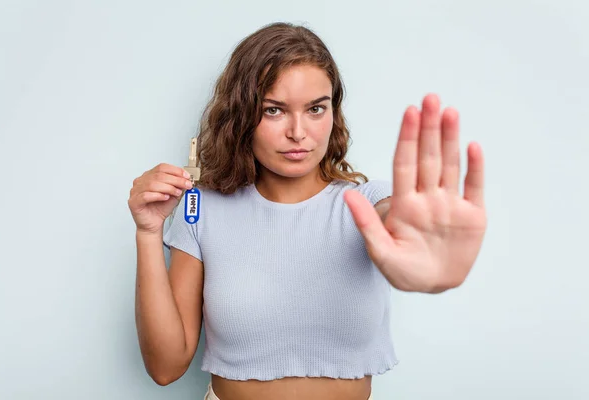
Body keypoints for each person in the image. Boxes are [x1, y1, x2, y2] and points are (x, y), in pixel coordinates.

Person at [127, 22, 486, 400]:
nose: (298, 132)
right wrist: (148, 232)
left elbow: (396, 218)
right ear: (241, 116)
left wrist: (425, 244)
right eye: (274, 110)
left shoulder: (367, 202)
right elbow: (166, 368)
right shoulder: (202, 211)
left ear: (334, 112)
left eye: (316, 108)